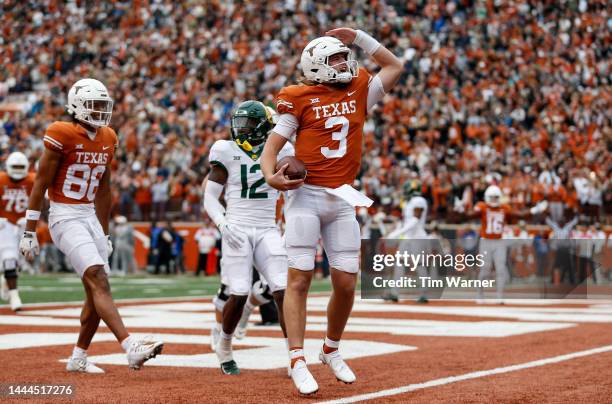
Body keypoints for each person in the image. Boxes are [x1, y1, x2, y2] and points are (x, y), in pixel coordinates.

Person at [261, 27, 403, 395]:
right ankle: (296, 358)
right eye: (336, 59)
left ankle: (331, 348)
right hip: (305, 196)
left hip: (342, 198)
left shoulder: (358, 90)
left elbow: (393, 65)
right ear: (316, 66)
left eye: (345, 56)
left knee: (346, 283)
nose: (345, 63)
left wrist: (358, 36)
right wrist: (270, 177)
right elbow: (273, 146)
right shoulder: (298, 96)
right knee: (300, 280)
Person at [19, 78, 163, 373]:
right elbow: (40, 184)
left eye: (102, 105)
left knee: (94, 292)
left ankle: (78, 357)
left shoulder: (108, 136)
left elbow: (105, 189)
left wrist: (105, 231)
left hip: (89, 217)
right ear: (76, 106)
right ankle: (130, 346)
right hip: (64, 215)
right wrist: (30, 230)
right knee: (98, 277)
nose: (99, 111)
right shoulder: (61, 132)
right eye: (93, 105)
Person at [204, 100, 293, 375]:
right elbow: (210, 197)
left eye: (249, 124)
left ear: (264, 125)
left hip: (267, 228)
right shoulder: (225, 149)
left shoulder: (283, 149)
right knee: (239, 292)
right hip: (237, 227)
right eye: (239, 123)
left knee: (282, 290)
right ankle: (225, 347)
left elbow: (291, 195)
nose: (242, 129)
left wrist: (290, 227)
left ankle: (295, 354)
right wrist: (222, 223)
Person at [456, 185, 547, 303]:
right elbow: (469, 215)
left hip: (499, 241)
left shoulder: (504, 208)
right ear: (487, 197)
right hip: (486, 241)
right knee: (484, 270)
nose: (494, 200)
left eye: (496, 197)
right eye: (491, 198)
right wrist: (461, 209)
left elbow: (520, 215)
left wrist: (535, 210)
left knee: (501, 269)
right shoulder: (482, 206)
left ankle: (500, 296)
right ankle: (479, 294)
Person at [0, 152, 35, 311]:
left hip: (24, 225)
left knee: (22, 261)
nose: (18, 170)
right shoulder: (1, 180)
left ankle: (6, 280)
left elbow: (41, 200)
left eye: (21, 167)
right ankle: (15, 296)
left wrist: (31, 218)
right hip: (4, 225)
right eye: (15, 167)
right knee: (9, 258)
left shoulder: (32, 180)